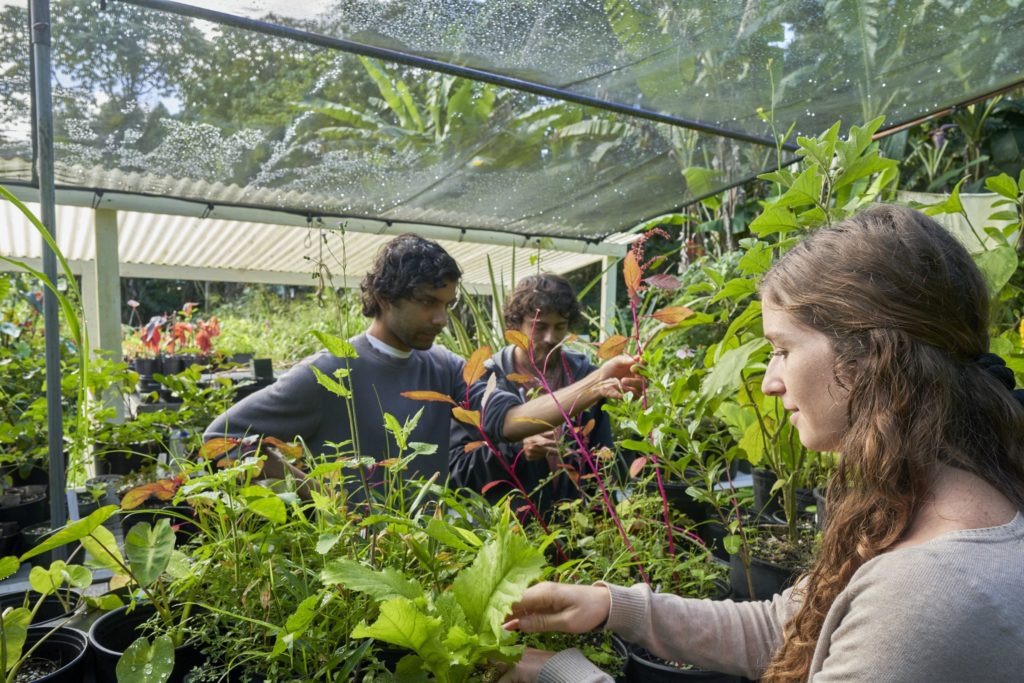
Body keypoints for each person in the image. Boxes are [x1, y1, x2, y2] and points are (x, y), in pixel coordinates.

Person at [497, 205, 1024, 682]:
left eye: (782, 350)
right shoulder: (937, 501)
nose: (771, 381)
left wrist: (566, 675)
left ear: (870, 355)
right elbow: (788, 627)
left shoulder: (926, 591)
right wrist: (615, 606)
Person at [204, 234, 641, 492]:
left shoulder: (446, 367)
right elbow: (220, 439)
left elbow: (509, 420)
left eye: (448, 303)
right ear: (383, 297)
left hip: (422, 556)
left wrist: (598, 381)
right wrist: (312, 489)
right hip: (344, 570)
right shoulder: (331, 369)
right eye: (427, 302)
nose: (440, 318)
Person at [449, 274, 615, 517]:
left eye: (560, 326)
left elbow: (604, 460)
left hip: (581, 530)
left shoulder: (586, 379)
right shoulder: (484, 381)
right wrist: (516, 449)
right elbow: (457, 470)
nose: (551, 338)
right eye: (539, 327)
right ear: (516, 325)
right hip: (510, 530)